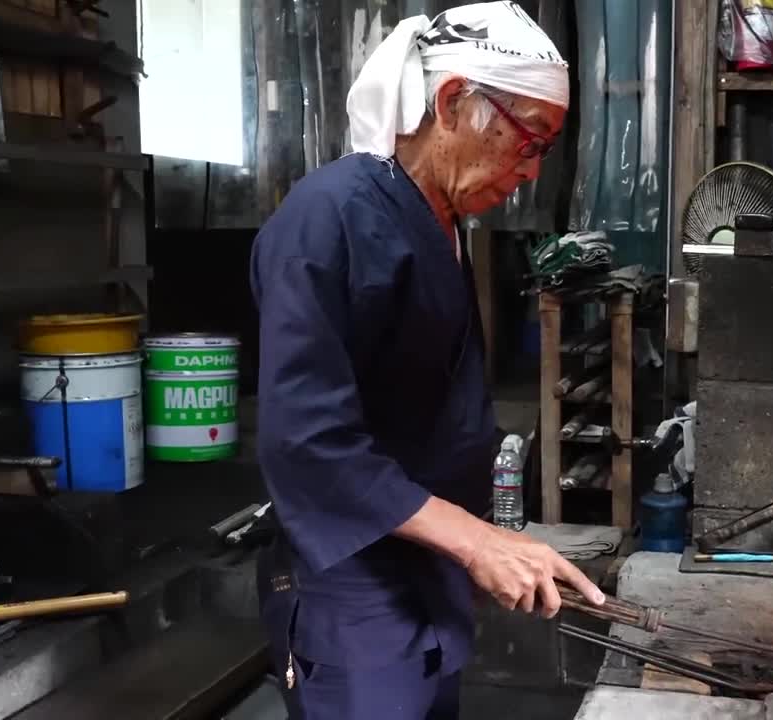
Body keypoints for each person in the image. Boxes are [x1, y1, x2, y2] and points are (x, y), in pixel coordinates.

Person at [248, 3, 605, 718]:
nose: (529, 172)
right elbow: (307, 442)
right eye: (528, 140)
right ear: (452, 102)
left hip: (422, 571)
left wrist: (483, 540)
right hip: (353, 584)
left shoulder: (442, 223)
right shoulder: (329, 217)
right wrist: (473, 541)